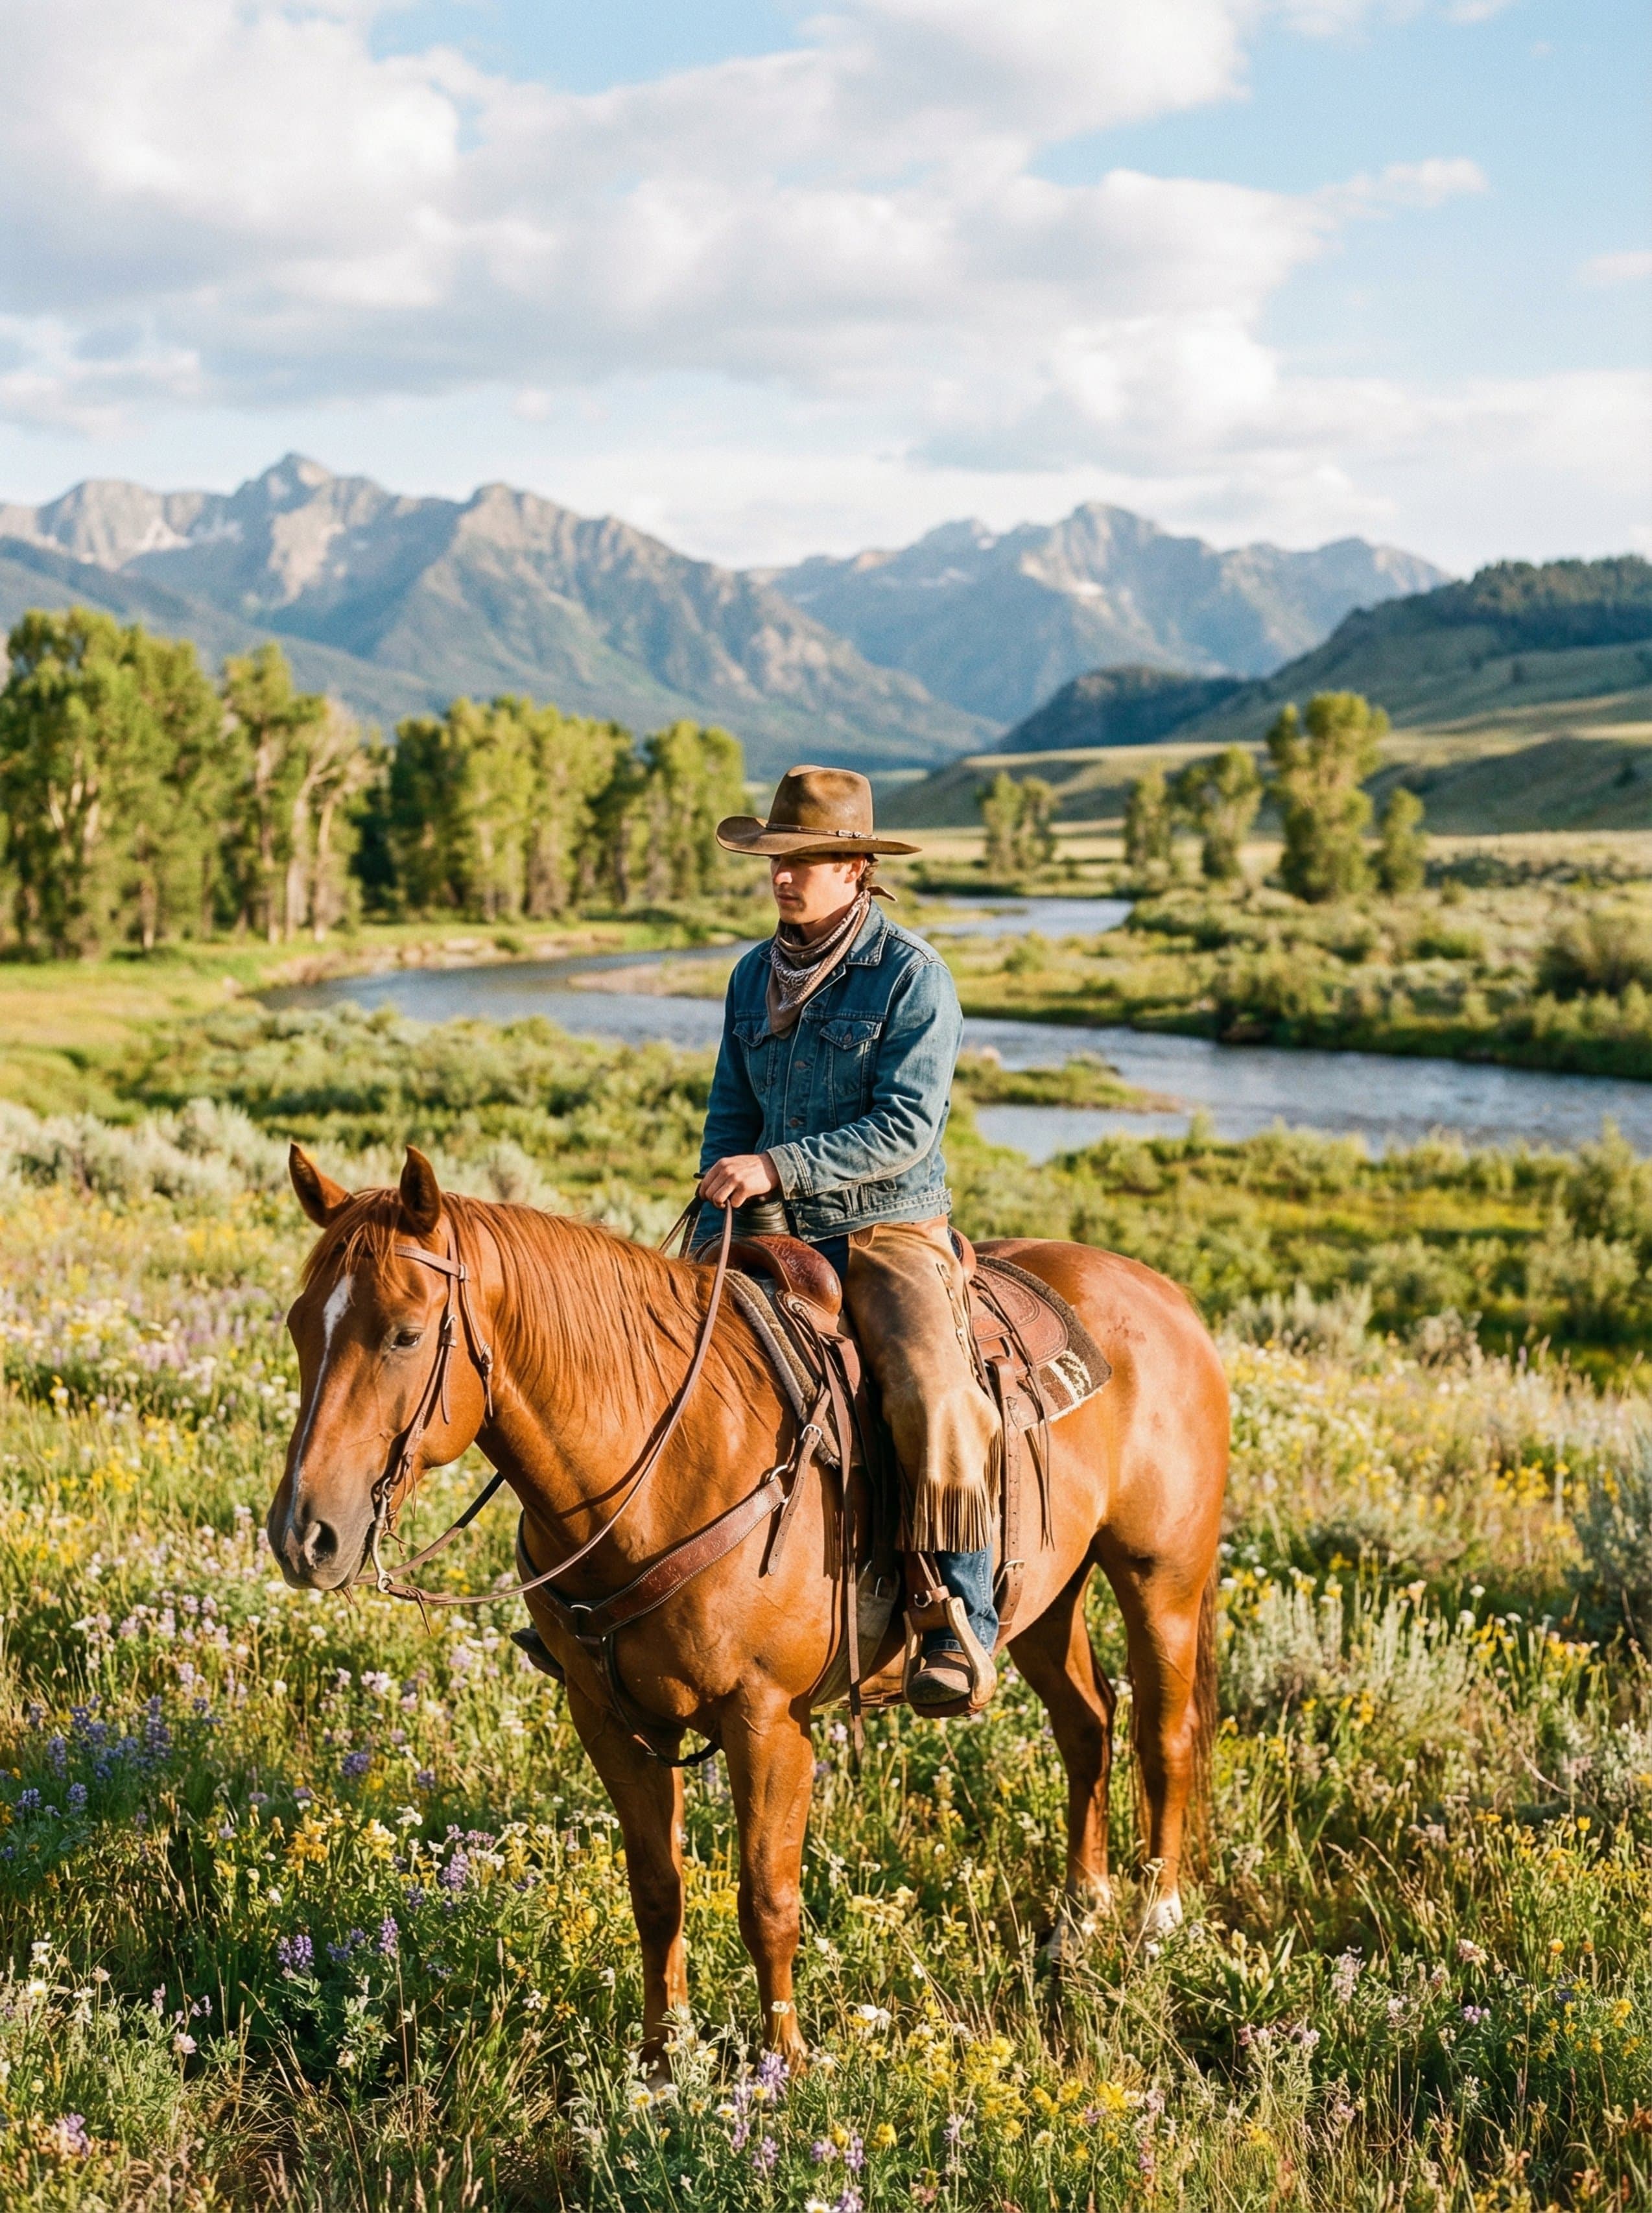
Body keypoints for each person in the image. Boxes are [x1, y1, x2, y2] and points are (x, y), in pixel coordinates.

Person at [695, 764, 1001, 1711]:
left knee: (930, 1388)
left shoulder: (913, 976)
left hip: (885, 1232)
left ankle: (960, 1615)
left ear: (858, 866)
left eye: (807, 860)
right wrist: (716, 1223)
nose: (784, 877)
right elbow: (727, 1117)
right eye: (776, 860)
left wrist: (780, 1168)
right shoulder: (754, 974)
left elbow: (906, 1126)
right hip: (772, 1228)